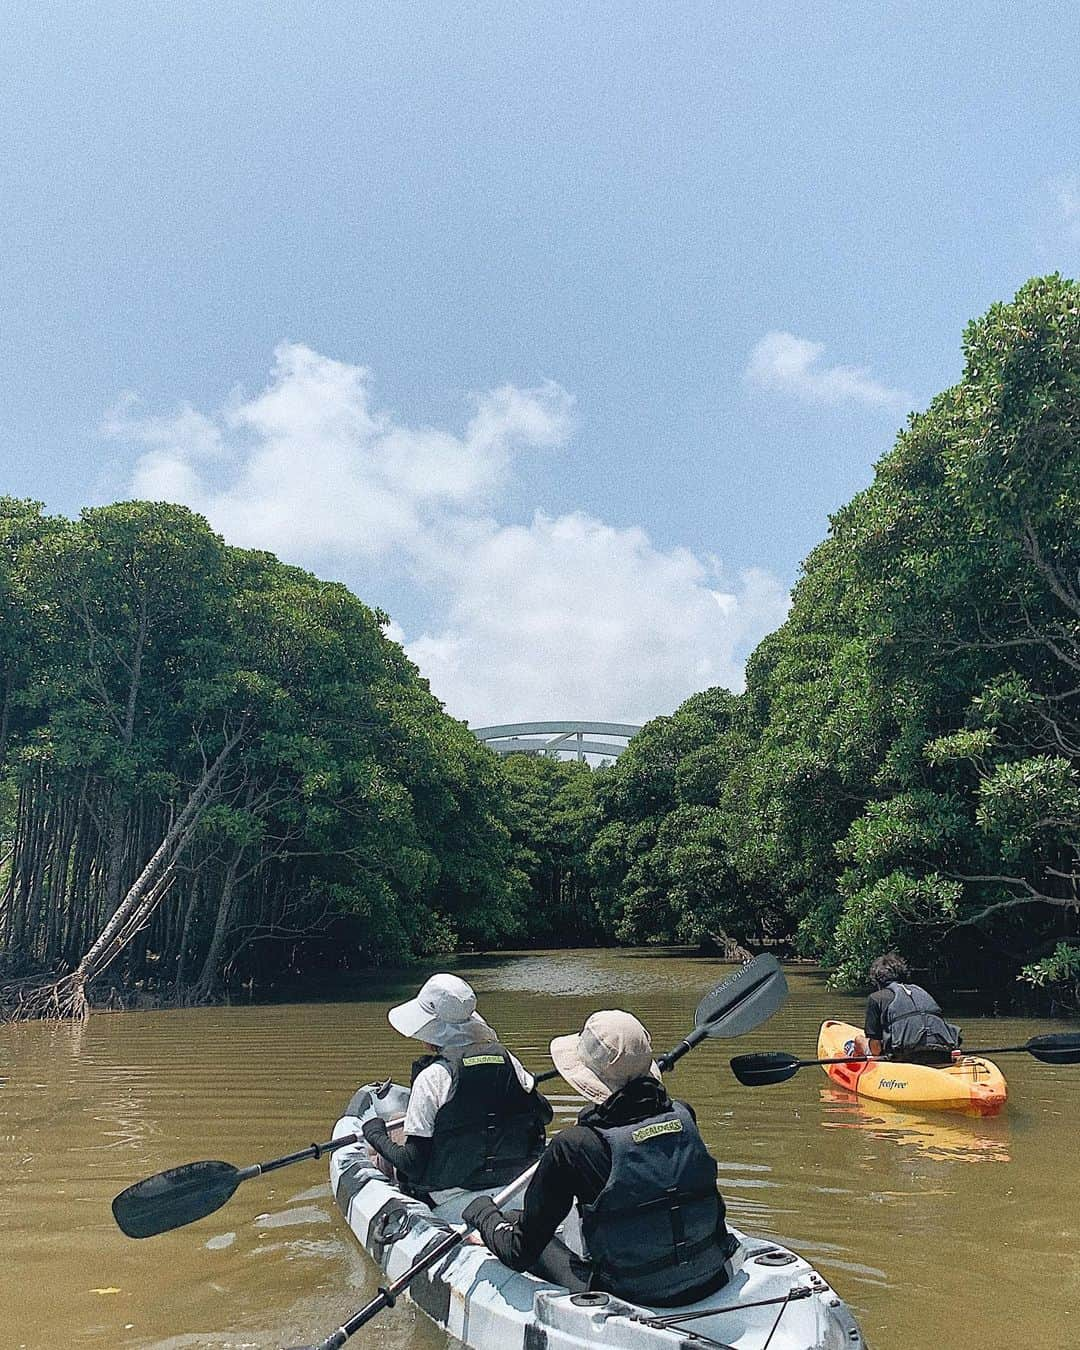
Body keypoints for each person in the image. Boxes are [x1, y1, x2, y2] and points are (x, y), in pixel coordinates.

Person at [462, 1010, 737, 1307]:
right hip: (714, 1275)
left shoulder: (573, 1146)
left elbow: (520, 1252)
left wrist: (483, 1215)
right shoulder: (684, 1115)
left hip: (632, 1293)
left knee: (513, 1221)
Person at [361, 973, 552, 1200]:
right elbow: (546, 1115)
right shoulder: (509, 1061)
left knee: (386, 1135)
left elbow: (411, 1164)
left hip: (446, 1192)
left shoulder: (432, 1078)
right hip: (511, 1184)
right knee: (398, 1117)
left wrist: (374, 1132)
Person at [853, 952, 962, 1064]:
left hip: (905, 1057)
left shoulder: (876, 998)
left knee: (858, 1040)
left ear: (878, 981)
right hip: (942, 1053)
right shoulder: (922, 992)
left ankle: (858, 1068)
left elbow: (875, 1049)